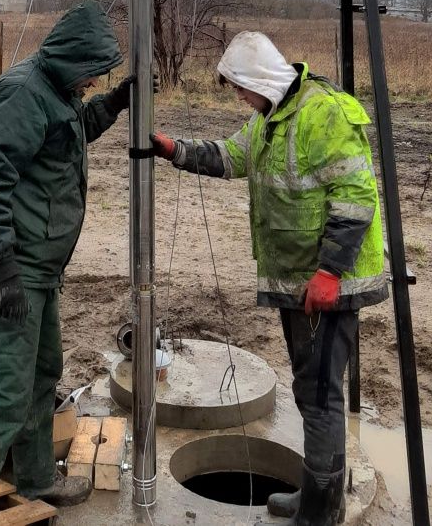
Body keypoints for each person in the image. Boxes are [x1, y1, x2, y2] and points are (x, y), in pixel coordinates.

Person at [152, 31, 387, 526]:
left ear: (260, 79)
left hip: (330, 285)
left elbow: (356, 196)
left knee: (321, 395)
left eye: (240, 87)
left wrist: (329, 271)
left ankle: (322, 512)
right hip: (298, 283)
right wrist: (176, 150)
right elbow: (231, 157)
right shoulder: (268, 120)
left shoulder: (324, 112)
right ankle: (316, 495)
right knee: (309, 391)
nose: (239, 97)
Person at [0, 0, 132, 526]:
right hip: (14, 271)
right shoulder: (22, 93)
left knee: (43, 373)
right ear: (71, 60)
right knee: (0, 401)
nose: (91, 83)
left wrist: (115, 103)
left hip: (42, 270)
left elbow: (68, 135)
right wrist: (2, 272)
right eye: (90, 74)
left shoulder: (57, 92)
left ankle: (35, 475)